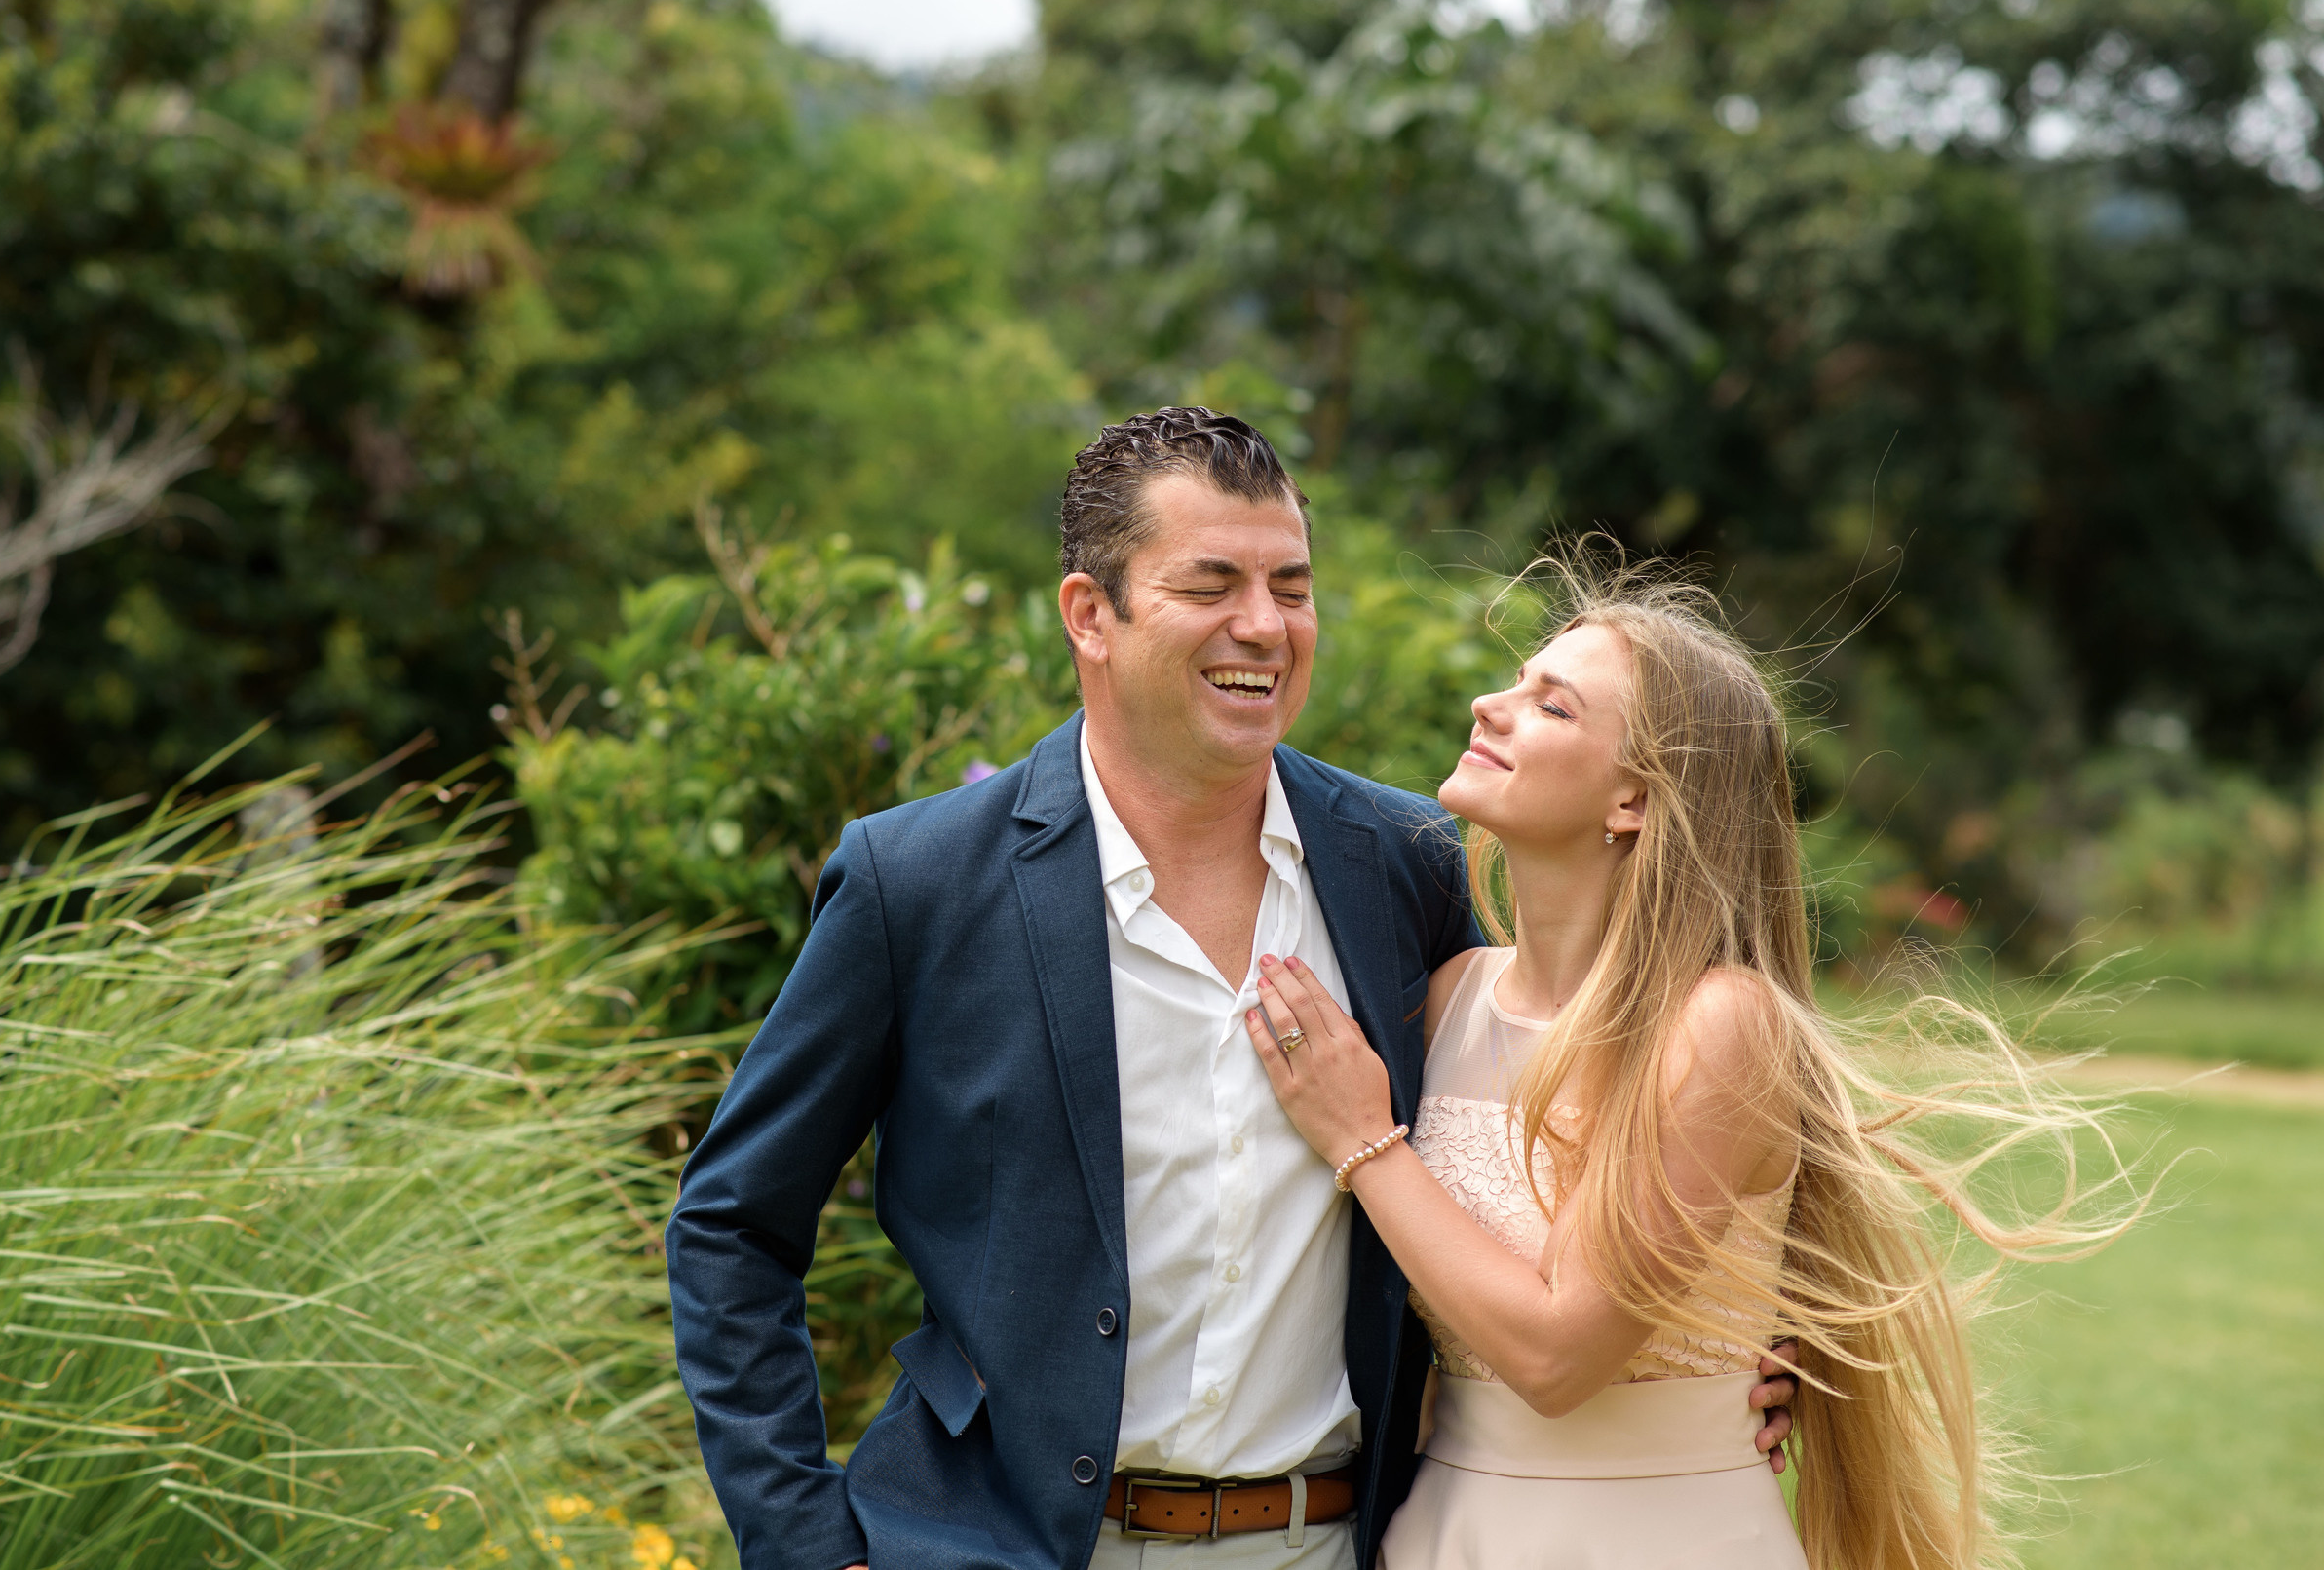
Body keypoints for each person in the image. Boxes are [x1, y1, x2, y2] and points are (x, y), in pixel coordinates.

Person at [664, 409, 1802, 1570]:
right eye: (1211, 583)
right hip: (995, 1543)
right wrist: (805, 1545)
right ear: (1088, 615)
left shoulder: (1404, 865)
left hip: (1333, 1544)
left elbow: (1582, 1118)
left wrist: (1724, 1344)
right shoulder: (918, 882)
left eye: (1291, 586)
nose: (1262, 624)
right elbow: (731, 1224)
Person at [1238, 557, 2140, 1569]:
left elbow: (1554, 1352)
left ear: (1632, 797)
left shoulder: (1718, 1024)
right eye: (1516, 681)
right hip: (1443, 1534)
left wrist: (1364, 1138)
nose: (1489, 704)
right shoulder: (1445, 999)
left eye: (1552, 704)